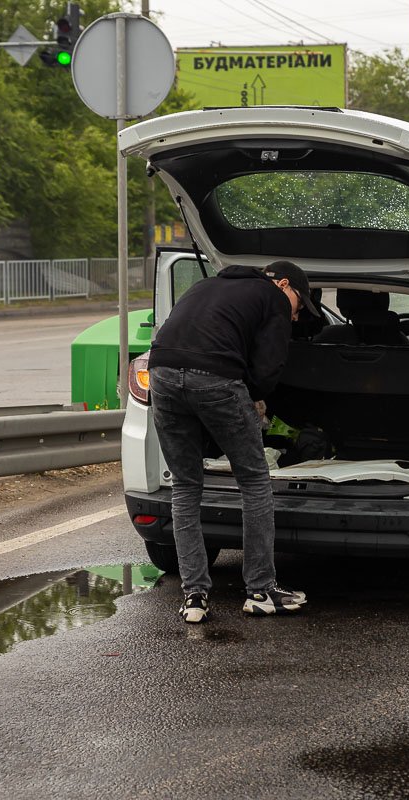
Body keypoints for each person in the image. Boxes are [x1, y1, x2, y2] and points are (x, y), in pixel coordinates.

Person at [147, 260, 320, 622]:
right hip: (214, 377)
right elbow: (268, 369)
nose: (294, 316)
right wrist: (252, 399)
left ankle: (194, 597)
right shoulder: (272, 296)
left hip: (160, 373)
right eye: (299, 306)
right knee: (255, 481)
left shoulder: (204, 286)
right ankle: (261, 590)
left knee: (185, 485)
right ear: (284, 284)